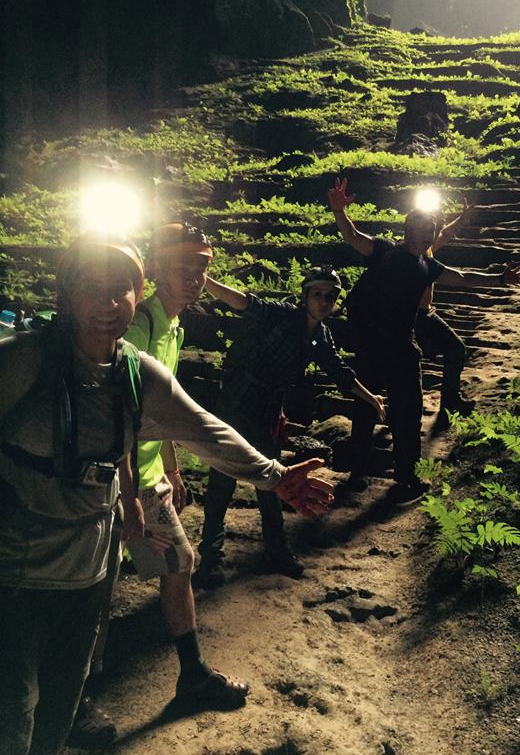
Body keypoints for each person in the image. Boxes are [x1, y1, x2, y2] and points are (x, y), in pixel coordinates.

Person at [0, 234, 333, 755]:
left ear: (137, 294)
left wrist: (275, 476)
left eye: (120, 289)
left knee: (60, 704)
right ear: (66, 296)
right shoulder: (23, 361)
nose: (108, 304)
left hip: (86, 574)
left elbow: (203, 429)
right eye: (91, 289)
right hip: (13, 575)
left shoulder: (135, 369)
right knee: (13, 712)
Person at [69, 222, 216, 747]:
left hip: (148, 478)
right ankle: (76, 698)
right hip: (115, 481)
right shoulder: (138, 325)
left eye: (200, 268)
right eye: (182, 266)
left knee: (179, 563)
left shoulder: (174, 327)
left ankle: (192, 674)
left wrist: (172, 466)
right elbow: (115, 420)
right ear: (155, 269)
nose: (193, 277)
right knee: (95, 586)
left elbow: (159, 410)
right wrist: (128, 497)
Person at [328, 177, 520, 505]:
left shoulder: (428, 265)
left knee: (409, 413)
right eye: (423, 228)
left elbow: (462, 278)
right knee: (365, 409)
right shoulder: (384, 251)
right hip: (372, 346)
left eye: (432, 229)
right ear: (408, 229)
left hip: (404, 348)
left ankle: (406, 478)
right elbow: (352, 236)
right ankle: (358, 473)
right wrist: (339, 211)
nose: (428, 234)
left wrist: (500, 279)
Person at [194, 266, 385, 588]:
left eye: (330, 296)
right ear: (306, 296)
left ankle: (276, 549)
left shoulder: (321, 336)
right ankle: (210, 559)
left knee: (273, 480)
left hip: (268, 410)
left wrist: (371, 398)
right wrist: (204, 280)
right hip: (237, 404)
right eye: (317, 294)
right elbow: (244, 302)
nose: (323, 301)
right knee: (222, 480)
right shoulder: (281, 314)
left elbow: (339, 371)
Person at [414, 199, 478, 428]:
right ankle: (447, 402)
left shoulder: (426, 247)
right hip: (414, 316)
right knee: (455, 349)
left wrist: (462, 218)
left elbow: (445, 235)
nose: (432, 233)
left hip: (426, 313)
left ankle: (450, 401)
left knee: (455, 349)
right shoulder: (410, 253)